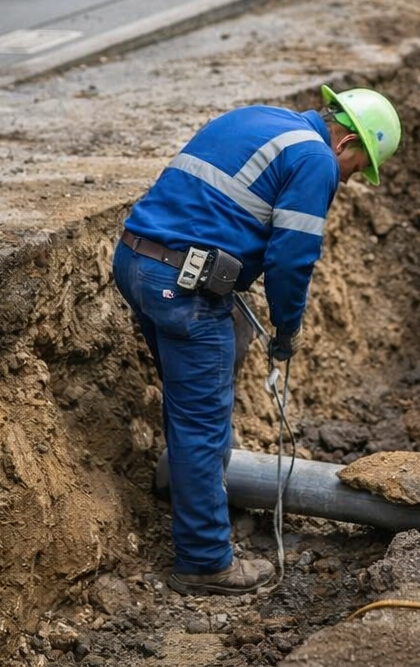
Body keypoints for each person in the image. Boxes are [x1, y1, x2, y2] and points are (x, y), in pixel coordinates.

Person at [112, 85, 402, 595]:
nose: (349, 180)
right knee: (201, 422)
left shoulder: (264, 119)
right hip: (186, 287)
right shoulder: (316, 160)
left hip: (137, 262)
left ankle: (208, 493)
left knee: (192, 411)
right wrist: (287, 329)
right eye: (357, 169)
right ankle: (205, 562)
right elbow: (292, 259)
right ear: (346, 143)